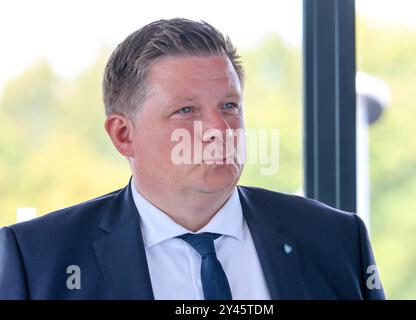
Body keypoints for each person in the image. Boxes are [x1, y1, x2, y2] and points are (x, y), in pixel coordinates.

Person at [0, 18, 385, 300]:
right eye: (186, 110)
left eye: (229, 105)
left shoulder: (336, 239)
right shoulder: (36, 260)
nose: (220, 128)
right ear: (123, 134)